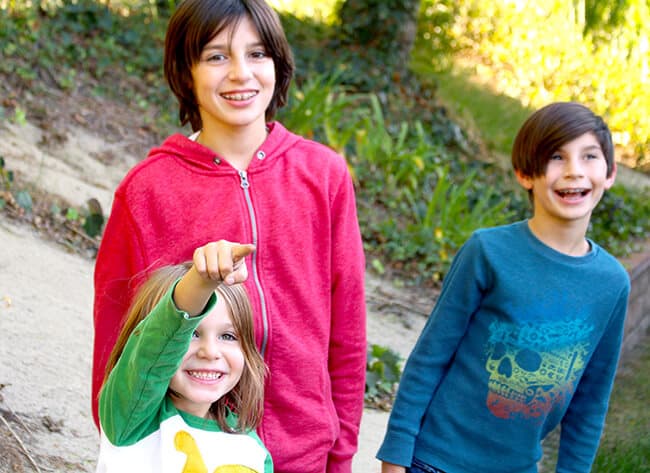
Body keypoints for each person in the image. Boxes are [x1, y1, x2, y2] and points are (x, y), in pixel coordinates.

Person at [91, 0, 367, 472]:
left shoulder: (323, 175)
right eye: (217, 56)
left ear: (279, 66)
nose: (241, 73)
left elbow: (347, 332)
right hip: (191, 455)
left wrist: (338, 455)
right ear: (185, 70)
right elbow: (114, 348)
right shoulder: (147, 192)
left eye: (257, 54)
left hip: (303, 453)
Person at [377, 102, 631, 473]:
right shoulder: (488, 251)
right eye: (556, 157)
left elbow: (590, 402)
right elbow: (429, 358)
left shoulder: (612, 283)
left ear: (609, 173)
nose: (574, 171)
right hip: (435, 460)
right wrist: (396, 455)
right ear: (525, 174)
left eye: (589, 156)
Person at [96, 240, 273, 472]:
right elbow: (155, 348)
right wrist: (200, 282)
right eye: (192, 334)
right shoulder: (130, 417)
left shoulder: (253, 453)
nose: (209, 352)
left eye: (228, 336)